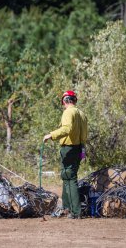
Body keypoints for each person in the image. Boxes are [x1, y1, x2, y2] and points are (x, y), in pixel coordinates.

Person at [43, 90, 87, 219]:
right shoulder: (81, 114)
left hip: (68, 148)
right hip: (79, 148)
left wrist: (51, 135)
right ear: (75, 100)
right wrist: (83, 150)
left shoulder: (68, 112)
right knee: (67, 176)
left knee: (70, 178)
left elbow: (66, 129)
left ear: (64, 101)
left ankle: (75, 212)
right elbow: (84, 135)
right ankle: (66, 208)